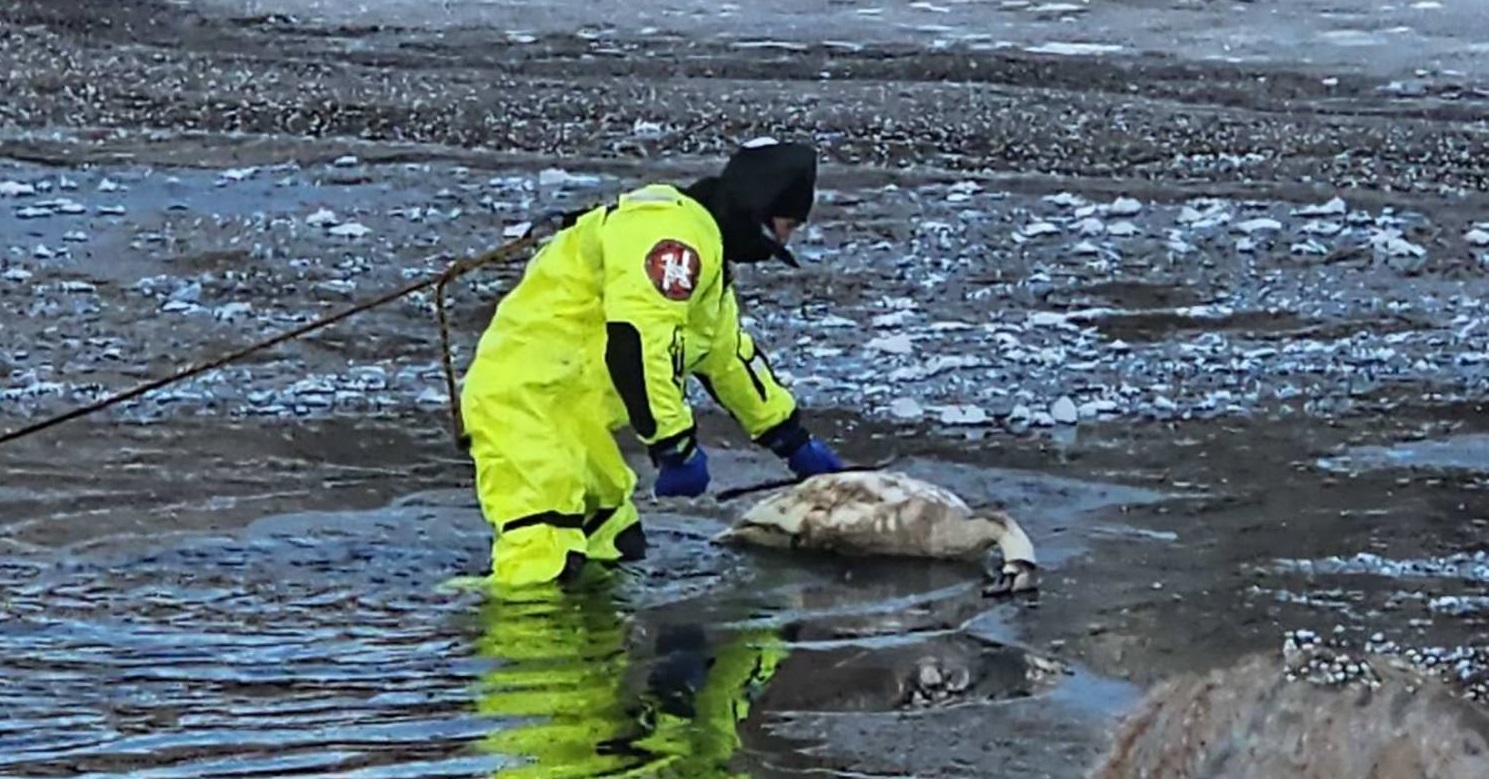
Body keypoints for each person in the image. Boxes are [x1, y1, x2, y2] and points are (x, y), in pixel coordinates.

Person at [459, 137, 846, 589]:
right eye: (787, 225)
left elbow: (728, 359)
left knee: (614, 543)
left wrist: (791, 440)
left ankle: (596, 652)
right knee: (544, 556)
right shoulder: (669, 239)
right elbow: (637, 343)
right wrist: (674, 446)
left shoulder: (705, 257)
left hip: (572, 416)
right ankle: (500, 644)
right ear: (761, 209)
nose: (785, 239)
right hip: (523, 401)